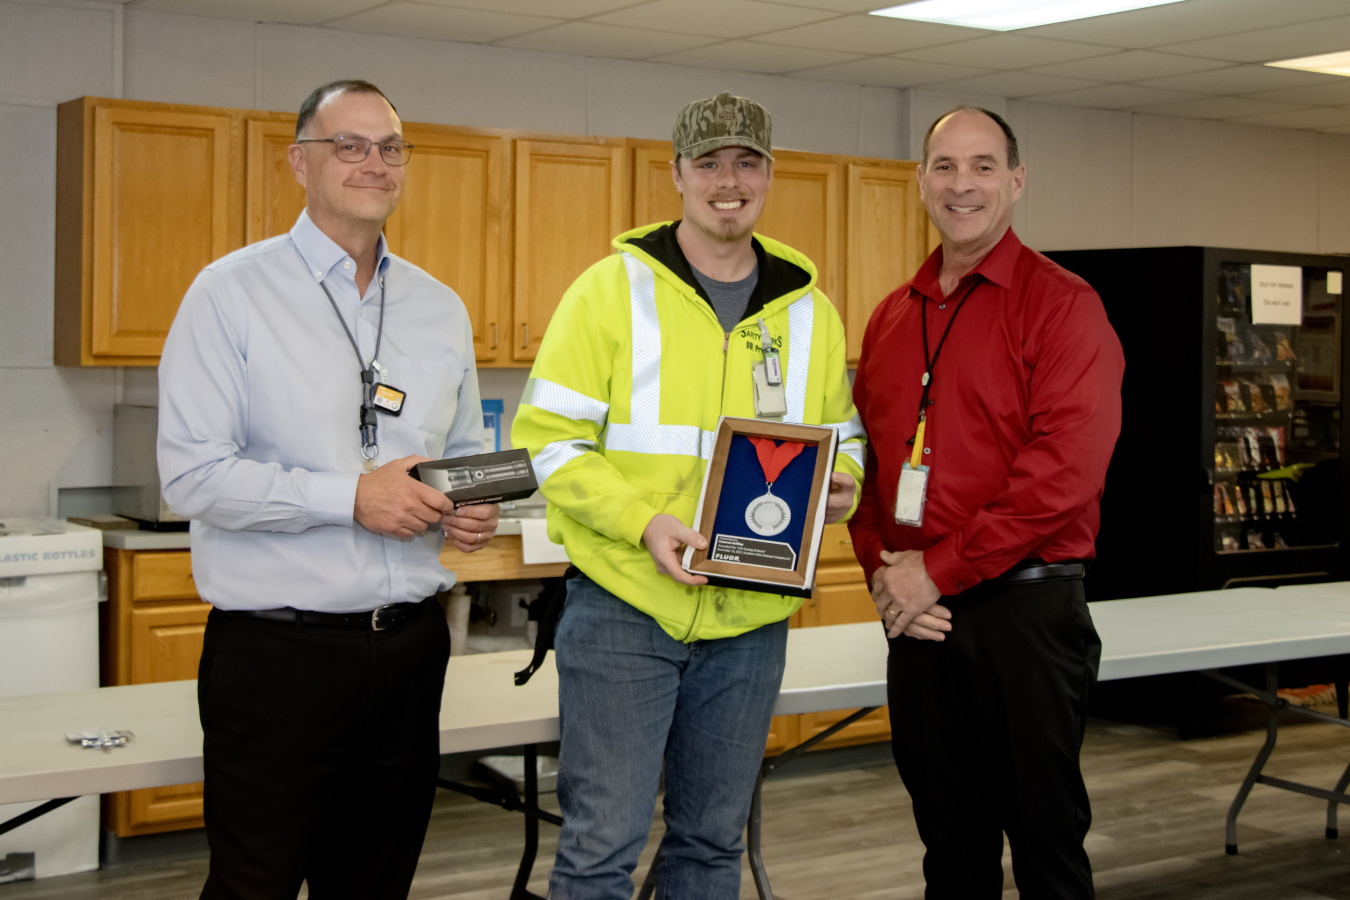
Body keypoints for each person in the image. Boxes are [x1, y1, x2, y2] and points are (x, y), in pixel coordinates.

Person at [512, 92, 866, 899]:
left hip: (751, 618)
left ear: (770, 175)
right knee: (601, 848)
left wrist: (846, 481)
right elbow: (548, 444)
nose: (728, 180)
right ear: (676, 174)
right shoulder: (607, 292)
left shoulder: (809, 311)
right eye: (709, 163)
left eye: (746, 162)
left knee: (711, 845)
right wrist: (642, 524)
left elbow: (844, 433)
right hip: (625, 610)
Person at [157, 79, 499, 900]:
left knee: (375, 884)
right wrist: (350, 498)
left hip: (411, 649)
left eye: (389, 148)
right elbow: (192, 476)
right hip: (279, 655)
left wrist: (471, 503)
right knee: (255, 885)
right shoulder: (228, 294)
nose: (373, 164)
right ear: (299, 162)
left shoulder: (439, 307)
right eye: (349, 145)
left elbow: (461, 450)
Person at [848, 106, 1124, 898]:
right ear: (921, 182)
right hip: (922, 619)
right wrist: (885, 573)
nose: (960, 184)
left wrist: (936, 570)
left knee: (1046, 845)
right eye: (943, 166)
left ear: (1015, 181)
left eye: (981, 166)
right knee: (950, 847)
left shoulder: (1064, 305)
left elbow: (1063, 473)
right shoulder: (893, 314)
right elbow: (867, 462)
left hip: (1024, 613)